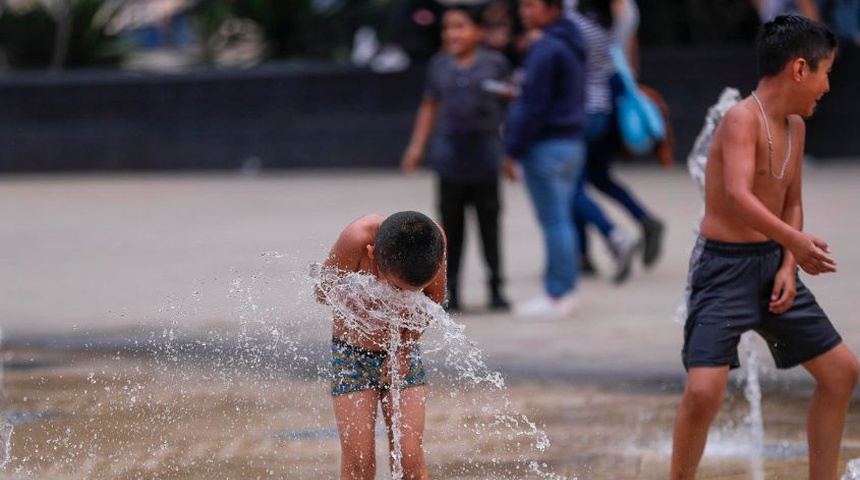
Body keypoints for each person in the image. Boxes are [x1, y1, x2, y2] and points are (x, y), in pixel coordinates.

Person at [670, 15, 858, 480]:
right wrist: (793, 240)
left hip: (774, 266)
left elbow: (794, 203)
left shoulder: (796, 124)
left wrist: (789, 263)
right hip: (723, 269)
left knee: (841, 372)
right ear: (799, 69)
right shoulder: (740, 118)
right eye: (825, 72)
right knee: (704, 391)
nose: (827, 86)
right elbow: (737, 196)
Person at [315, 211, 446, 480]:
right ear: (372, 255)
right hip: (352, 354)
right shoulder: (356, 238)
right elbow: (321, 291)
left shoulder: (432, 241)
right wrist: (352, 298)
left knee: (409, 458)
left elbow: (434, 297)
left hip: (403, 349)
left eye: (412, 291)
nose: (404, 296)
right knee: (359, 462)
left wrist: (404, 349)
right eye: (397, 288)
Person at [402, 3, 512, 313]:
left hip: (486, 160)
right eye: (448, 28)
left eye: (460, 26)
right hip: (449, 161)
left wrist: (510, 154)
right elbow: (429, 106)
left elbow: (510, 107)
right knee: (450, 231)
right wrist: (416, 146)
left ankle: (496, 287)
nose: (453, 33)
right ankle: (451, 291)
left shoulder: (496, 64)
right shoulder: (439, 65)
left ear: (478, 31)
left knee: (489, 226)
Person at [503, 0, 587, 316]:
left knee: (554, 221)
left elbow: (533, 106)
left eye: (530, 5)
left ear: (552, 8)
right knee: (562, 218)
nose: (524, 12)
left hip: (546, 145)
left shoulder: (546, 48)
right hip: (571, 142)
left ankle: (557, 293)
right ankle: (565, 289)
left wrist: (513, 149)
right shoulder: (572, 41)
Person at [566, 0, 641, 283]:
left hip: (580, 111)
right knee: (583, 181)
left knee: (569, 187)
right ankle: (582, 255)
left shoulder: (577, 22)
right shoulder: (608, 18)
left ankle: (613, 236)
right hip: (602, 108)